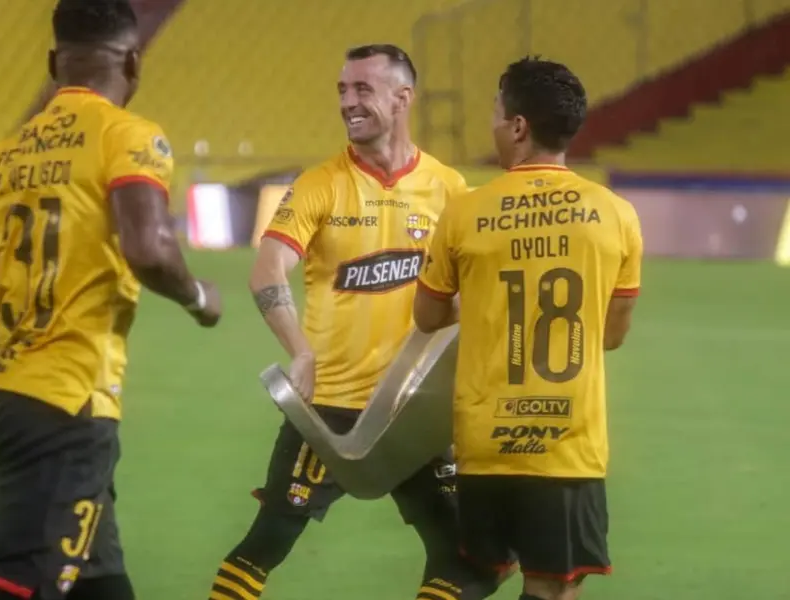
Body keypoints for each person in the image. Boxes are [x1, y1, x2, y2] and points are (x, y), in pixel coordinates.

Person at [0, 1, 221, 598]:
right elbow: (149, 249)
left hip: (7, 399)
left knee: (101, 586)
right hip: (67, 408)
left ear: (54, 64)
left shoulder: (2, 156)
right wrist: (200, 296)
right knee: (25, 588)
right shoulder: (127, 136)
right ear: (133, 62)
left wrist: (25, 285)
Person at [209, 45, 504, 600]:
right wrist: (300, 350)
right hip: (331, 411)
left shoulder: (448, 189)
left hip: (417, 410)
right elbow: (268, 270)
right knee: (266, 542)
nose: (348, 102)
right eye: (343, 90)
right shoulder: (320, 184)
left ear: (402, 97)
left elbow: (475, 292)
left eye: (362, 89)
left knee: (467, 560)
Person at [413, 57, 642, 600]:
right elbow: (611, 336)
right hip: (566, 445)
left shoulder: (465, 213)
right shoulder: (615, 214)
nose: (492, 125)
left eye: (496, 113)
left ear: (518, 127)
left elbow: (427, 317)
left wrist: (481, 303)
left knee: (476, 572)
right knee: (553, 587)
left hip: (482, 444)